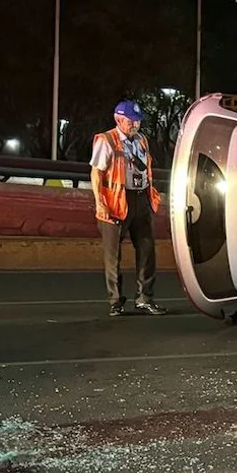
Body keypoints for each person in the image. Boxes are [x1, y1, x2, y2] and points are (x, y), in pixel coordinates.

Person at [90, 100, 167, 317]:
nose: (135, 125)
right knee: (113, 256)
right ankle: (116, 301)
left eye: (137, 121)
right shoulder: (107, 140)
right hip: (116, 203)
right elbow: (96, 173)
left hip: (141, 200)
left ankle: (145, 298)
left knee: (147, 250)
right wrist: (100, 203)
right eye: (130, 121)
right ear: (118, 120)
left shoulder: (142, 140)